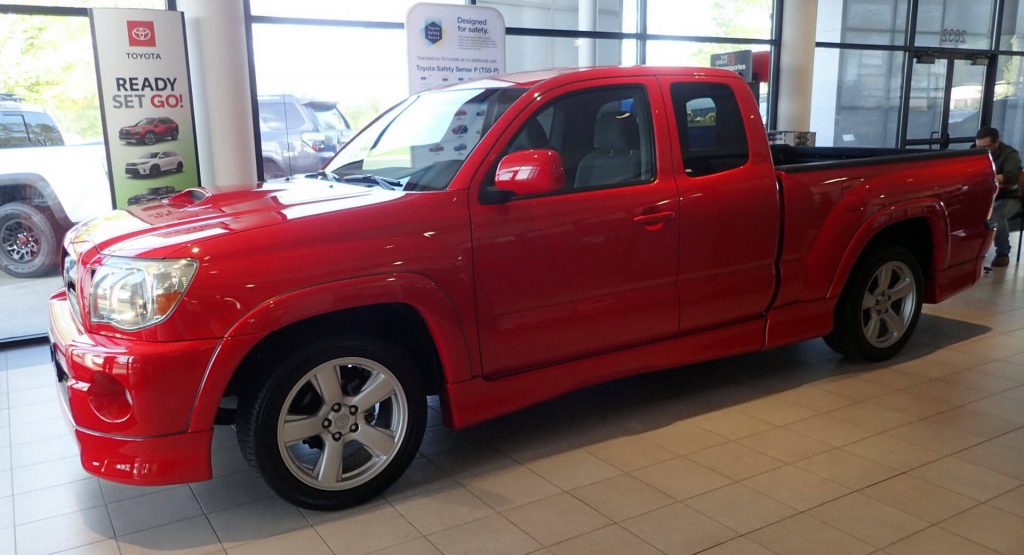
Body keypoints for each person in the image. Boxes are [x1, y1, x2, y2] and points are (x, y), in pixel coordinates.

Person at [976, 127, 1023, 267]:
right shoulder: (976, 150)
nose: (982, 150)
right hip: (984, 196)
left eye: (986, 147)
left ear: (997, 142)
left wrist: (994, 177)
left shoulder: (1010, 154)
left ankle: (1003, 253)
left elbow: (1013, 176)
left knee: (996, 214)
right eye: (979, 147)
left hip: (1008, 197)